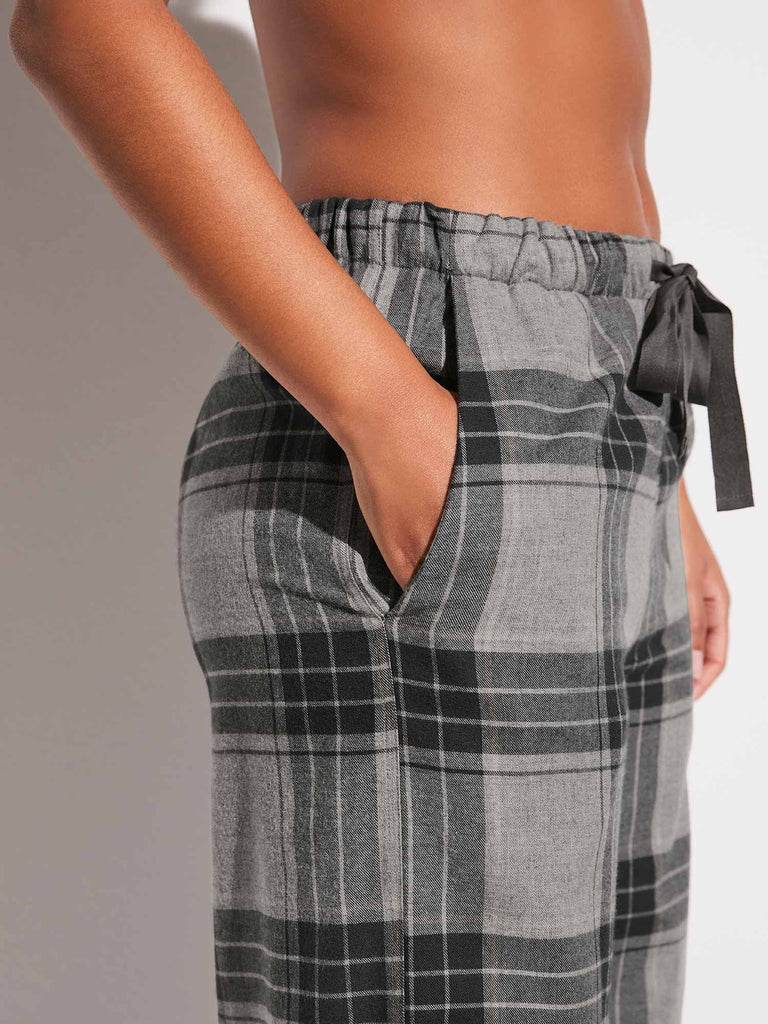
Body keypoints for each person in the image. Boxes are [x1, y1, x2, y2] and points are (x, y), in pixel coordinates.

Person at [9, 1, 753, 1022]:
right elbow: (72, 17)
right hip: (427, 355)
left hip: (621, 385)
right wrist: (385, 411)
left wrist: (664, 487)